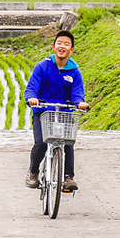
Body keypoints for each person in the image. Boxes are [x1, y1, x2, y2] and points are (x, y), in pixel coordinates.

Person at [24, 29, 88, 190]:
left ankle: (68, 178)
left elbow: (77, 93)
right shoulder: (42, 67)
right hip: (43, 112)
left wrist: (80, 103)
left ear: (71, 50)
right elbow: (31, 88)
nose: (62, 46)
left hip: (64, 113)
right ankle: (33, 172)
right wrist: (32, 99)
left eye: (67, 44)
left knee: (68, 143)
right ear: (53, 47)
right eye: (59, 43)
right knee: (41, 144)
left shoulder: (75, 72)